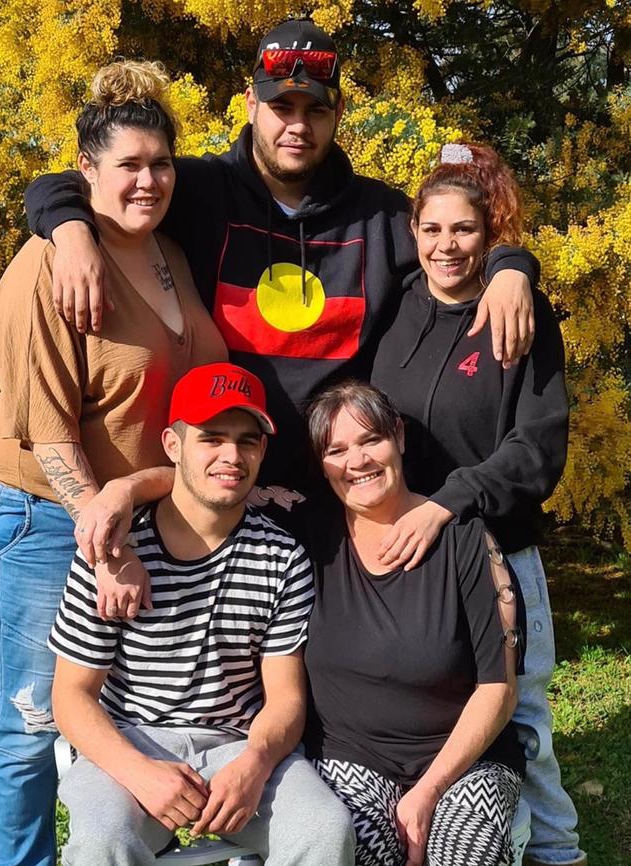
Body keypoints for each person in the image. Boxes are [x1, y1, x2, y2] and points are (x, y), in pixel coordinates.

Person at [24, 19, 539, 509]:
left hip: (332, 494)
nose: (297, 126)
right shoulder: (198, 192)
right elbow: (75, 182)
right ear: (251, 104)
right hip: (218, 489)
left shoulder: (380, 215)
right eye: (281, 107)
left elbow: (449, 246)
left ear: (337, 114)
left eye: (314, 110)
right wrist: (71, 231)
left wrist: (511, 267)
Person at [0, 61, 226, 866]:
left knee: (120, 702)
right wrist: (109, 545)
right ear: (85, 170)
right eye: (128, 166)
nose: (149, 181)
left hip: (142, 504)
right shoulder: (48, 269)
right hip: (55, 516)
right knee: (35, 712)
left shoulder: (167, 254)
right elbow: (52, 437)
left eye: (160, 165)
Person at [48, 362, 356, 866]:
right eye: (210, 438)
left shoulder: (281, 555)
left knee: (324, 829)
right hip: (131, 742)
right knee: (103, 841)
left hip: (238, 743)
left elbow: (285, 698)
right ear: (173, 445)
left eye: (247, 441)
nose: (231, 456)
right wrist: (140, 771)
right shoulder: (114, 554)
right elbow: (71, 695)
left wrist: (256, 763)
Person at [370, 143, 584, 866]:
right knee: (435, 704)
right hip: (405, 548)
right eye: (431, 230)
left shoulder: (521, 322)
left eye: (464, 230)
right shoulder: (397, 303)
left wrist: (449, 502)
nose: (445, 245)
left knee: (521, 715)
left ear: (488, 233)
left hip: (496, 547)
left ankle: (557, 851)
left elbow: (538, 451)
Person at [302, 380, 524, 866]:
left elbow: (499, 689)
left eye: (370, 440)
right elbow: (209, 486)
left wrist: (427, 792)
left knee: (468, 853)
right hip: (350, 758)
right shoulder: (309, 537)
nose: (356, 461)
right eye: (336, 449)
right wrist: (123, 491)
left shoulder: (463, 537)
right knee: (348, 846)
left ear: (398, 437)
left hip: (467, 763)